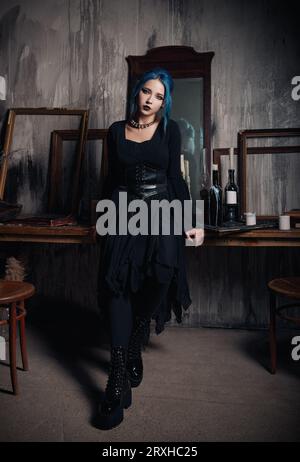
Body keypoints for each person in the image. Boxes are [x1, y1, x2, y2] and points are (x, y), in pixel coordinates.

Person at [95, 68, 204, 430]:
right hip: (122, 213)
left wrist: (190, 219)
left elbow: (176, 177)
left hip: (163, 212)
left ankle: (140, 327)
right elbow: (111, 180)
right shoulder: (114, 131)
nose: (150, 100)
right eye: (146, 92)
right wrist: (100, 217)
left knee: (161, 274)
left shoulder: (169, 130)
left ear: (165, 102)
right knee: (117, 286)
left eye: (158, 96)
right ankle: (117, 377)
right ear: (136, 92)